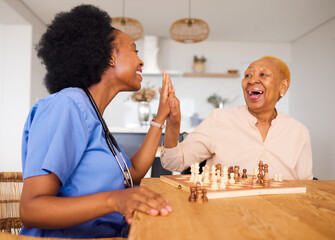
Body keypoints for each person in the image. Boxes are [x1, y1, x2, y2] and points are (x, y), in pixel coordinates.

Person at [19, 5, 177, 238]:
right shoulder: (66, 106)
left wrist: (161, 117)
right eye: (134, 51)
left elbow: (132, 174)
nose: (141, 61)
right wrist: (115, 200)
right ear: (110, 57)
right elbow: (32, 209)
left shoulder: (91, 112)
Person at [161, 56, 313, 180]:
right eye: (248, 75)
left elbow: (308, 185)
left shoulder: (298, 131)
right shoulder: (219, 119)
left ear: (283, 87)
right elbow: (174, 162)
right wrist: (173, 124)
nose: (252, 80)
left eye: (263, 74)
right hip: (226, 212)